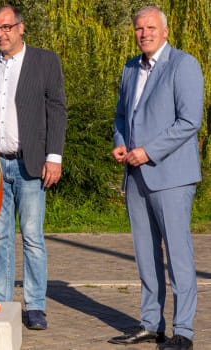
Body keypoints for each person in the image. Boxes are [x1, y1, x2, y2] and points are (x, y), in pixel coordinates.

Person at [108, 6, 203, 350]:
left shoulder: (184, 65)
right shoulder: (130, 68)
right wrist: (121, 143)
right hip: (136, 177)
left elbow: (190, 120)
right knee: (146, 255)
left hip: (172, 175)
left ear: (165, 31)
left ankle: (184, 331)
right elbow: (121, 115)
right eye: (138, 28)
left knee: (178, 256)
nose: (144, 33)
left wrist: (148, 150)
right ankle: (151, 323)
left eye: (150, 28)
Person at [0, 5, 67, 330]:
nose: (1, 33)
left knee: (32, 236)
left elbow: (57, 110)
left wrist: (54, 156)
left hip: (31, 164)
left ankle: (35, 305)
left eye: (7, 27)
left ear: (21, 28)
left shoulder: (44, 61)